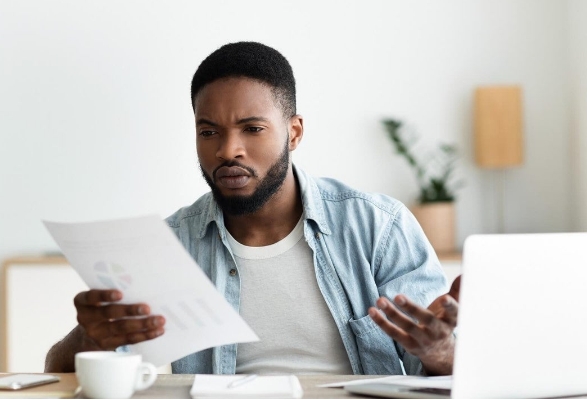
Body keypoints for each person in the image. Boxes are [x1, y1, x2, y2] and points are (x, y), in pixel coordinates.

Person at [45, 41, 460, 376]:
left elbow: (453, 365)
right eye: (209, 131)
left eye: (252, 129)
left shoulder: (376, 227)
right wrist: (89, 337)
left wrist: (441, 351)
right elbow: (56, 369)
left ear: (293, 133)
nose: (228, 151)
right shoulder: (170, 244)